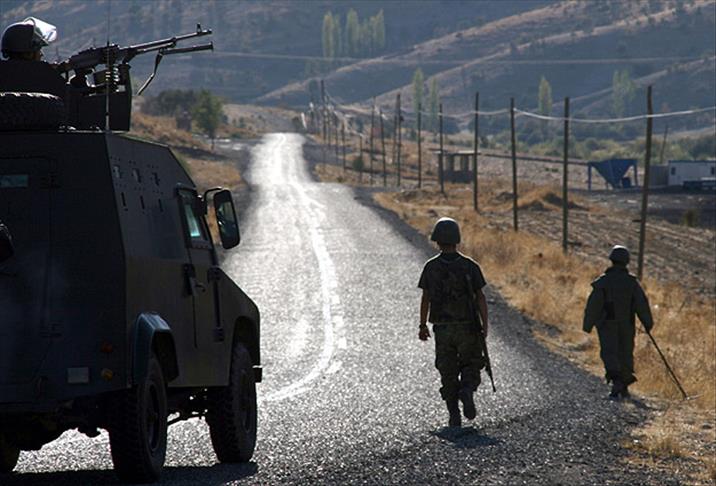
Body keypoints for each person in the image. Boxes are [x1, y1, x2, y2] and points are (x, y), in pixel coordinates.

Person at [418, 217, 489, 427]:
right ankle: (467, 390)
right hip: (468, 327)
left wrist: (422, 325)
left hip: (442, 328)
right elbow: (480, 297)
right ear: (456, 239)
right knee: (471, 364)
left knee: (447, 370)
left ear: (437, 240)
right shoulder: (470, 266)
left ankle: (454, 414)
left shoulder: (431, 267)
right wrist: (485, 325)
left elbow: (426, 298)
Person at [583, 245, 654, 399]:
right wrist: (647, 323)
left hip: (608, 323)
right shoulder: (631, 283)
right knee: (626, 352)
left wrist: (588, 324)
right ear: (626, 261)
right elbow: (642, 304)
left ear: (612, 260)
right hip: (627, 323)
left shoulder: (603, 282)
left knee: (609, 352)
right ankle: (624, 384)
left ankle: (617, 381)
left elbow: (594, 304)